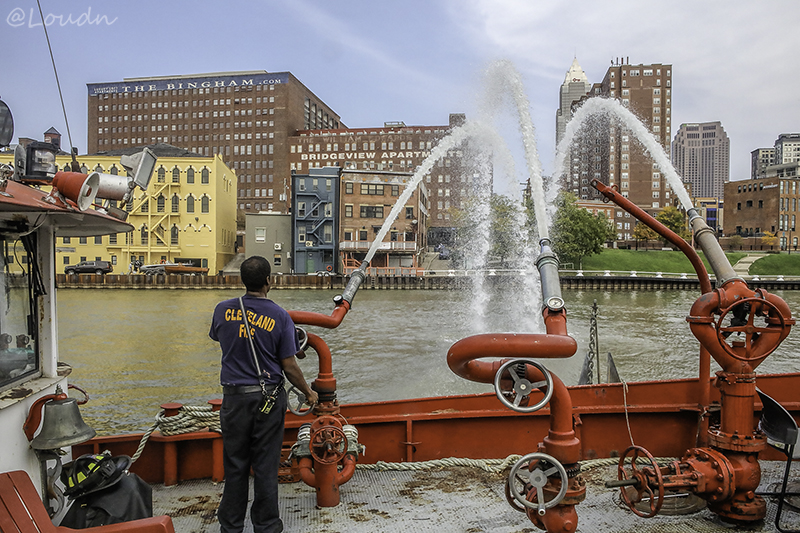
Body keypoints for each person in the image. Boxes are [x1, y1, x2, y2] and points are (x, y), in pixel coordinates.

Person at [209, 256, 318, 533]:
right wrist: (308, 392)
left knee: (235, 466)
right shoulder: (280, 316)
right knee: (266, 466)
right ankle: (267, 526)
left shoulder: (222, 310)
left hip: (233, 399)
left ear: (242, 280)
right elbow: (290, 365)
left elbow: (222, 338)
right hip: (268, 398)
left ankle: (231, 527)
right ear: (270, 280)